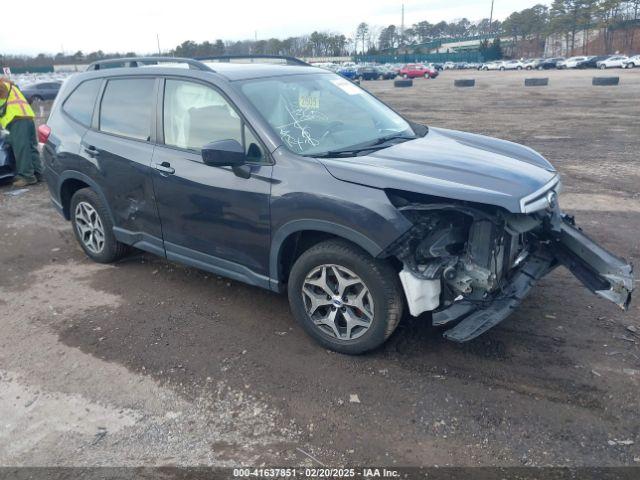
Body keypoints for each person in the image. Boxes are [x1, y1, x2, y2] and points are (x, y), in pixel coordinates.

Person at [0, 77, 43, 187]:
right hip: (27, 116)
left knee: (21, 148)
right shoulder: (9, 84)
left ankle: (27, 177)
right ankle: (38, 173)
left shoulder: (2, 85)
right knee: (30, 147)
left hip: (16, 119)